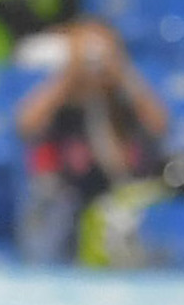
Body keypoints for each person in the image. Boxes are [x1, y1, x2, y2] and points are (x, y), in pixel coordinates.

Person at [16, 15, 170, 263]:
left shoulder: (121, 101)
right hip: (64, 199)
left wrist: (122, 73)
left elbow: (160, 124)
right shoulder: (61, 99)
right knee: (48, 205)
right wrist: (69, 76)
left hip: (114, 200)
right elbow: (25, 124)